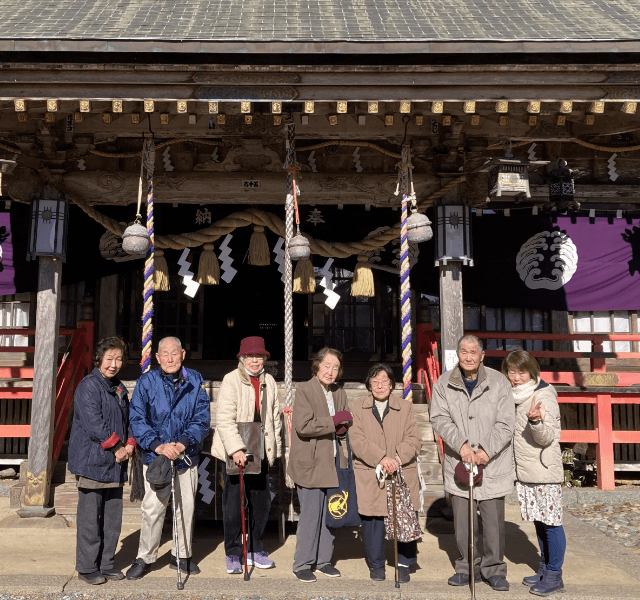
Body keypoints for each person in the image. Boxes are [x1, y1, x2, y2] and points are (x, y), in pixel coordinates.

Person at [430, 334, 515, 591]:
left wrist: (486, 451)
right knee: (463, 522)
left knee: (492, 521)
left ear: (482, 356)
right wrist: (462, 445)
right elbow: (439, 418)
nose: (468, 356)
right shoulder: (443, 384)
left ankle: (494, 568)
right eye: (464, 351)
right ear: (458, 354)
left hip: (492, 463)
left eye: (473, 352)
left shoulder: (499, 382)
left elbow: (506, 422)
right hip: (461, 462)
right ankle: (467, 566)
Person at [125, 336, 211, 580]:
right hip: (156, 455)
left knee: (186, 508)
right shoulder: (146, 381)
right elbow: (137, 418)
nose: (170, 358)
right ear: (158, 357)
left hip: (186, 455)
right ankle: (145, 556)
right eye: (165, 354)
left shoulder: (195, 380)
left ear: (183, 354)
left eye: (175, 353)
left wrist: (182, 442)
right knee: (153, 508)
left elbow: (201, 418)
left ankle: (181, 556)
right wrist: (158, 445)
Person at [210, 336, 282, 574]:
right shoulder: (231, 380)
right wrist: (236, 448)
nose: (254, 360)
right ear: (242, 358)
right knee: (234, 505)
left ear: (264, 359)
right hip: (237, 449)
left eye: (259, 356)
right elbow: (224, 418)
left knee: (261, 503)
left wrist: (274, 449)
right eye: (250, 356)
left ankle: (254, 548)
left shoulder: (269, 381)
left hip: (260, 447)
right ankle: (233, 552)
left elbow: (274, 418)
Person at [68, 336, 135, 585]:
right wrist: (116, 446)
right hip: (92, 461)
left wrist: (130, 442)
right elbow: (94, 423)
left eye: (118, 359)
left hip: (116, 463)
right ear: (99, 359)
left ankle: (107, 564)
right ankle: (86, 566)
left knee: (112, 520)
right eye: (109, 359)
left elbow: (127, 421)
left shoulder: (118, 388)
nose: (114, 364)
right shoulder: (88, 386)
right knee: (89, 519)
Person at [349, 363, 421, 583]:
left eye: (384, 381)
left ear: (392, 385)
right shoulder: (358, 407)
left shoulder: (405, 407)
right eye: (375, 381)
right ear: (369, 384)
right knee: (372, 519)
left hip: (400, 469)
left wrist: (397, 459)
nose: (380, 385)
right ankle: (376, 563)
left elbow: (413, 438)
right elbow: (356, 439)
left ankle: (403, 563)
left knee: (404, 515)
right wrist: (380, 459)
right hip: (371, 470)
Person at [502, 350, 565, 597]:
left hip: (543, 471)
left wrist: (536, 422)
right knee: (539, 523)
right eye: (511, 371)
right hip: (528, 471)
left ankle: (554, 574)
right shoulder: (517, 395)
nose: (516, 377)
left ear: (532, 371)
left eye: (521, 371)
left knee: (551, 524)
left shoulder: (543, 395)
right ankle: (544, 567)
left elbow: (548, 437)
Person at [287, 347, 352, 583]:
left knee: (330, 514)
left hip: (333, 461)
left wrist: (344, 428)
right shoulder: (304, 390)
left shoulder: (339, 392)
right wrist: (335, 422)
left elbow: (344, 421)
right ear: (317, 366)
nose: (331, 371)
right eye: (326, 365)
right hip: (310, 463)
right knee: (311, 516)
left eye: (335, 367)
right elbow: (303, 426)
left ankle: (324, 561)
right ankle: (302, 563)